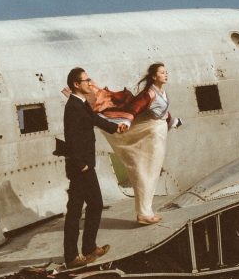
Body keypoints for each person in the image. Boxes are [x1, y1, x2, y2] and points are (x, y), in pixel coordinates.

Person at [62, 67, 128, 268]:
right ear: (76, 84)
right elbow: (71, 137)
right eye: (87, 80)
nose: (90, 83)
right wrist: (80, 164)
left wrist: (115, 127)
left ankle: (85, 250)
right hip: (81, 166)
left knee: (83, 207)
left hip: (83, 165)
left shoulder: (81, 104)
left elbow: (94, 119)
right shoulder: (73, 106)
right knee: (84, 208)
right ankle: (76, 254)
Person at [101, 62, 182, 224]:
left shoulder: (160, 92)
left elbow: (161, 112)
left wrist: (172, 120)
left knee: (151, 172)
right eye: (162, 73)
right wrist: (128, 121)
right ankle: (143, 213)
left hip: (157, 134)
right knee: (146, 171)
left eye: (166, 72)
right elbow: (135, 108)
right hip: (150, 134)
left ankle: (146, 211)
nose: (166, 74)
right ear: (154, 76)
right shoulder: (150, 93)